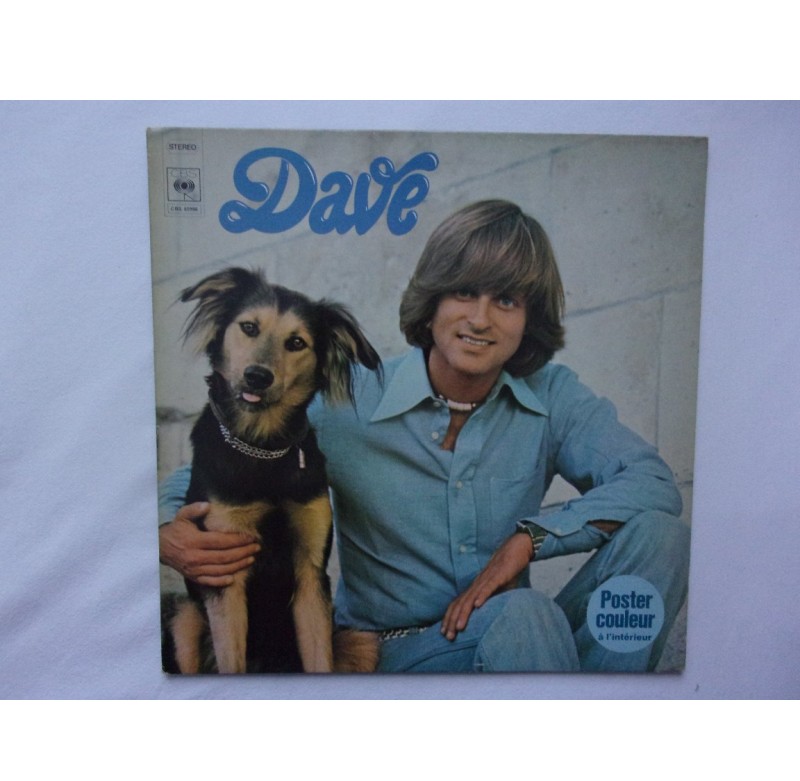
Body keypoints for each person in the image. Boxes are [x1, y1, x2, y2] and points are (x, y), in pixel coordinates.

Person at [159, 199, 689, 672]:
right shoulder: (349, 400)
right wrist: (165, 530)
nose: (480, 319)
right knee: (523, 614)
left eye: (506, 300)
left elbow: (650, 481)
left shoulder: (553, 396)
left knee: (659, 538)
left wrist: (529, 540)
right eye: (464, 292)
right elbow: (212, 469)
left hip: (518, 637)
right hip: (395, 653)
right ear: (432, 301)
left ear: (530, 318)